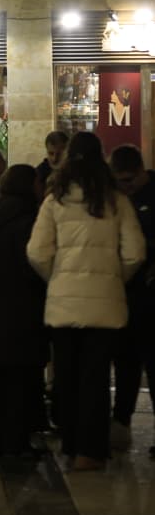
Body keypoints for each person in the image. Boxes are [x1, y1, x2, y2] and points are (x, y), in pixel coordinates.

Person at [26, 131, 145, 472]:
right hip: (106, 306)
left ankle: (72, 441)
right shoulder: (116, 201)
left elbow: (36, 252)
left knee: (67, 376)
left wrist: (58, 278)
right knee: (95, 379)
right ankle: (90, 451)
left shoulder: (54, 200)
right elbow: (135, 253)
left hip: (63, 305)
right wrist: (112, 278)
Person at [0, 164, 49, 459]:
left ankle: (0, 439)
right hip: (24, 308)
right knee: (22, 378)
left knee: (7, 380)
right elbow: (32, 266)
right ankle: (15, 443)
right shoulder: (27, 220)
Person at [107, 144, 155, 455]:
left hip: (150, 297)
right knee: (125, 364)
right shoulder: (117, 200)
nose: (124, 187)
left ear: (140, 173)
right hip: (125, 295)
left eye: (128, 180)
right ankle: (120, 425)